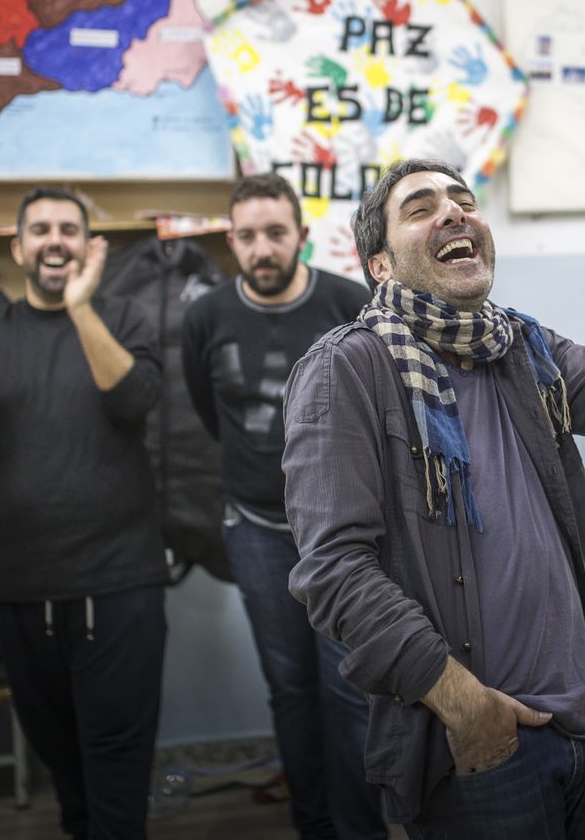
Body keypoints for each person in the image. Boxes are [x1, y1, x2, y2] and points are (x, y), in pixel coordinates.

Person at [282, 158, 585, 839]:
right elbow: (334, 571)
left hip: (582, 720)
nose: (452, 211)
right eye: (420, 208)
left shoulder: (522, 347)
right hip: (481, 746)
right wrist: (465, 703)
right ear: (380, 265)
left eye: (463, 198)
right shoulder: (346, 368)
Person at [0, 187, 166, 840]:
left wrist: (81, 308)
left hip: (119, 586)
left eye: (68, 228)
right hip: (19, 590)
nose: (54, 240)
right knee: (65, 769)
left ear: (92, 247)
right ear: (18, 248)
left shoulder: (122, 316)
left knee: (117, 767)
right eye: (40, 229)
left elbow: (133, 400)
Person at [180, 173, 383, 839]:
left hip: (343, 534)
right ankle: (314, 825)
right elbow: (213, 414)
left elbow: (386, 410)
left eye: (275, 233)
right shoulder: (207, 315)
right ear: (231, 242)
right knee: (292, 688)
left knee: (351, 688)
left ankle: (360, 829)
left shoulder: (352, 303)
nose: (262, 249)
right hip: (257, 529)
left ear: (300, 233)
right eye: (246, 236)